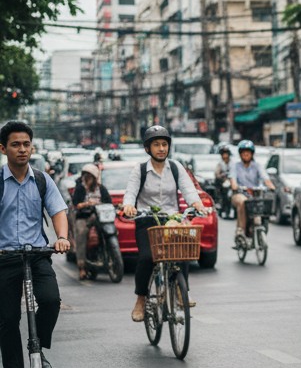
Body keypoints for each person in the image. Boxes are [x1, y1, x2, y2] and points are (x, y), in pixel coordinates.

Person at [0, 120, 70, 368]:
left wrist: (61, 237)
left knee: (51, 300)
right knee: (7, 318)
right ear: (3, 149)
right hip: (5, 257)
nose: (22, 149)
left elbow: (58, 211)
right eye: (15, 144)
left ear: (32, 147)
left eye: (26, 144)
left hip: (37, 254)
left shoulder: (42, 179)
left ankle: (37, 347)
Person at [122, 125, 205, 322]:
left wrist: (196, 203)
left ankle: (182, 290)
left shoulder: (176, 167)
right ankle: (141, 299)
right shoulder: (140, 169)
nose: (161, 148)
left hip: (171, 220)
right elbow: (131, 192)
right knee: (147, 258)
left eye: (164, 144)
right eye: (156, 145)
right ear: (147, 148)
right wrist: (129, 206)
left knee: (182, 251)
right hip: (146, 220)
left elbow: (189, 189)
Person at [71, 163, 112, 280]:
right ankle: (81, 267)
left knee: (109, 229)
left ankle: (108, 253)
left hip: (98, 216)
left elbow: (108, 202)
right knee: (81, 234)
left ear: (95, 177)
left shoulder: (101, 188)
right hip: (83, 216)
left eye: (89, 176)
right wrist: (86, 204)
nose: (87, 178)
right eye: (85, 176)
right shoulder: (80, 188)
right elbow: (76, 204)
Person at [230, 140, 275, 245]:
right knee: (243, 201)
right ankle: (240, 230)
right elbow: (233, 180)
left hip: (254, 195)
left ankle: (257, 227)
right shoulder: (236, 166)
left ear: (252, 154)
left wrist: (271, 186)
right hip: (239, 194)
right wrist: (235, 186)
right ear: (240, 154)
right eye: (243, 152)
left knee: (259, 204)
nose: (246, 154)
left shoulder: (257, 166)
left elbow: (265, 178)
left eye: (248, 152)